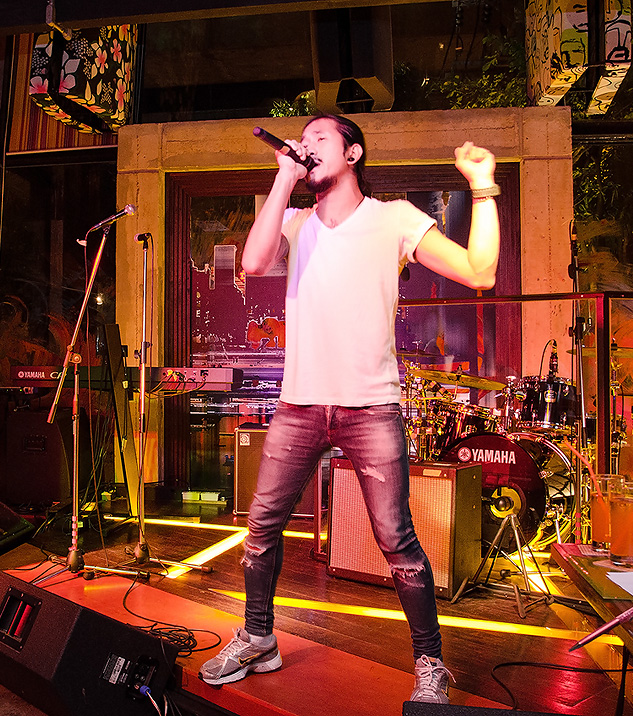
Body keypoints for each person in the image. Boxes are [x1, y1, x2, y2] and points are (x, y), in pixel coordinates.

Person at [198, 114, 500, 705]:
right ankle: (258, 638)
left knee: (396, 539)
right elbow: (252, 264)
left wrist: (482, 186)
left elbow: (479, 271)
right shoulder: (293, 221)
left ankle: (431, 664)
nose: (306, 145)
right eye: (302, 139)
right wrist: (283, 177)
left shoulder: (393, 219)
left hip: (371, 408)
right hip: (299, 405)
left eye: (320, 138)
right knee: (261, 529)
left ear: (353, 152)